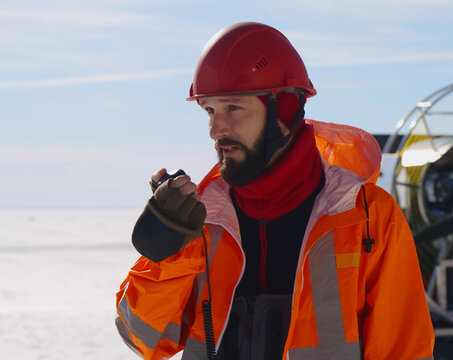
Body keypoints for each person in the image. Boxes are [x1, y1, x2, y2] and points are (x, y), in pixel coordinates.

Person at [115, 22, 434, 360]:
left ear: (284, 109)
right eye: (209, 110)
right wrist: (167, 253)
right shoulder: (201, 219)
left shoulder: (367, 217)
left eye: (233, 108)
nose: (215, 130)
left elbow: (403, 351)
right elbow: (143, 340)